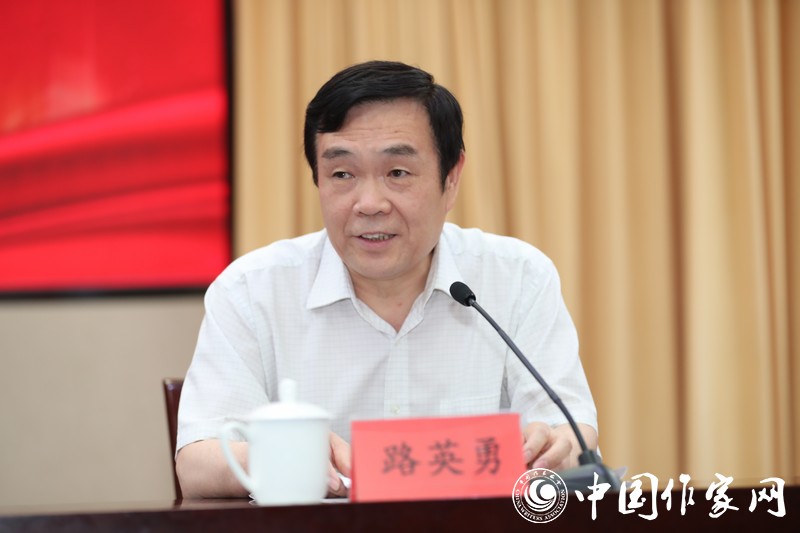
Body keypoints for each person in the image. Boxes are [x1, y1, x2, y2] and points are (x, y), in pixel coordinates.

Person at [176, 60, 599, 499]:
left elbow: (570, 432)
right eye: (342, 174)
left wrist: (555, 448)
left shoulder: (517, 277)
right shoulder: (251, 291)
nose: (369, 203)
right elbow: (197, 462)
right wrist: (283, 455)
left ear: (451, 178)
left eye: (397, 173)